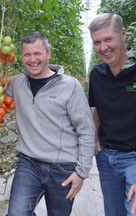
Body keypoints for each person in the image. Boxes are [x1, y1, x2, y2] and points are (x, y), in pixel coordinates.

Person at [0, 31, 95, 215]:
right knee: (16, 213)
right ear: (21, 56)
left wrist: (81, 172)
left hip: (63, 167)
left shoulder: (70, 86)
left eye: (37, 53)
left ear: (48, 53)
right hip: (29, 162)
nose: (32, 59)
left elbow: (86, 129)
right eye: (27, 54)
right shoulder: (18, 83)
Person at [88, 13, 136, 216]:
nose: (103, 47)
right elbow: (97, 108)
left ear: (123, 34)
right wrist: (95, 138)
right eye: (97, 42)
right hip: (107, 158)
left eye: (108, 39)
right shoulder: (97, 75)